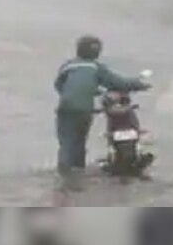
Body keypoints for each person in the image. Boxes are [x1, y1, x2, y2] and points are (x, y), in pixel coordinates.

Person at [54, 35, 149, 177]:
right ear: (97, 53)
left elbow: (59, 85)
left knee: (67, 143)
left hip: (65, 108)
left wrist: (77, 95)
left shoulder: (67, 66)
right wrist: (139, 84)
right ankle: (77, 172)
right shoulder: (96, 67)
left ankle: (64, 176)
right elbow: (119, 83)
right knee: (80, 142)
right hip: (85, 110)